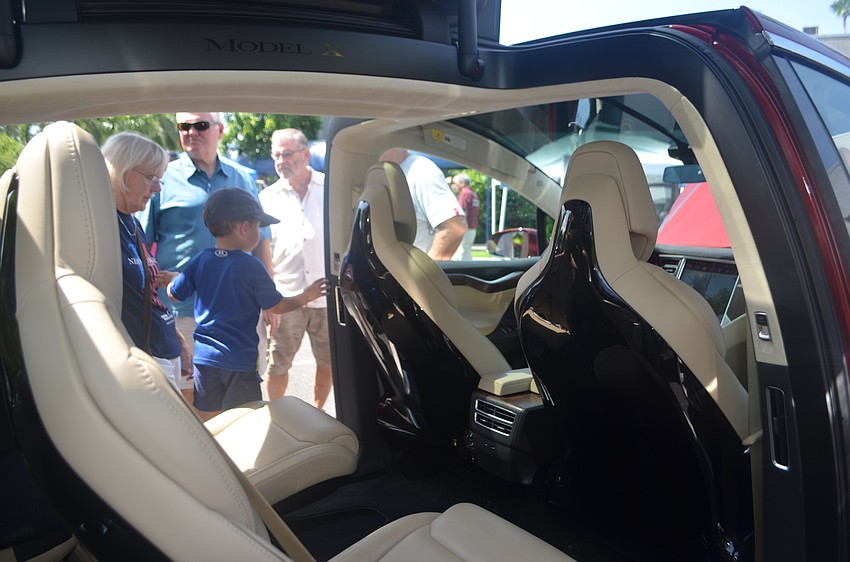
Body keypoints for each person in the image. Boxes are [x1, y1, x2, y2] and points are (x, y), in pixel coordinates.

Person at [138, 112, 274, 397]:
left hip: (242, 312)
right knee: (190, 394)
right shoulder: (162, 179)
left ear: (220, 130)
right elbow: (141, 242)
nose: (191, 132)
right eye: (184, 126)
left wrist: (269, 300)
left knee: (245, 393)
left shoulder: (241, 177)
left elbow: (262, 241)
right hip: (184, 313)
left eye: (200, 125)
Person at [167, 188, 328, 421]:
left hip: (205, 359)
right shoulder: (252, 266)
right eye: (258, 227)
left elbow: (175, 294)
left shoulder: (200, 260)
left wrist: (172, 279)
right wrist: (307, 295)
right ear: (244, 228)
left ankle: (213, 445)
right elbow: (276, 306)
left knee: (209, 417)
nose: (260, 234)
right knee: (244, 419)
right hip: (240, 361)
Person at [102, 131, 193, 398]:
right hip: (144, 359)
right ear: (122, 170)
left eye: (159, 179)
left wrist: (173, 334)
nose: (158, 188)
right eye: (151, 177)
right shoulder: (100, 227)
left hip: (163, 347)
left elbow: (143, 294)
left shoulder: (131, 222)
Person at [259, 129, 333, 408]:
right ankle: (278, 416)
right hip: (285, 298)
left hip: (327, 295)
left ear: (306, 154)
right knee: (277, 364)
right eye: (276, 155)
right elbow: (262, 249)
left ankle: (318, 412)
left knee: (328, 362)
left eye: (287, 154)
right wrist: (267, 298)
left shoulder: (330, 189)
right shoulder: (267, 197)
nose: (281, 161)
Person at [379, 148, 466, 260]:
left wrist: (427, 268)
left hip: (408, 268)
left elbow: (455, 226)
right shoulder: (382, 174)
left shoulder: (421, 170)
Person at [450, 173, 480, 261]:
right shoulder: (473, 194)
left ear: (462, 183)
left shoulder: (464, 193)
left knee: (462, 255)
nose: (454, 186)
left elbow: (462, 212)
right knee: (466, 252)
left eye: (455, 183)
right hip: (472, 228)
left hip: (465, 229)